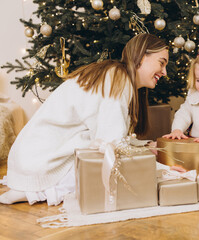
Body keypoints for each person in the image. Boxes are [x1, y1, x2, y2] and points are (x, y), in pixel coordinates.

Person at [0, 33, 169, 205]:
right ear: (141, 56)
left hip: (29, 156)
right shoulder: (117, 78)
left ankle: (31, 188)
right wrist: (160, 169)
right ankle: (35, 192)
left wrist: (144, 147)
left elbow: (112, 135)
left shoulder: (116, 75)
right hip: (39, 159)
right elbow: (111, 144)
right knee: (101, 167)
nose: (164, 72)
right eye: (161, 63)